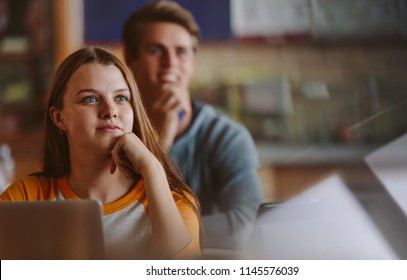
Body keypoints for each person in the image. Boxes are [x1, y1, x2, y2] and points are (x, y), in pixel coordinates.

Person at [0, 47, 201, 260]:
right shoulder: (24, 199)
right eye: (90, 99)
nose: (110, 110)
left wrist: (153, 169)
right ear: (59, 118)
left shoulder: (176, 204)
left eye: (121, 98)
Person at [122, 0, 264, 251]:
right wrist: (162, 140)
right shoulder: (115, 132)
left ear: (193, 62)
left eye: (181, 51)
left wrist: (162, 235)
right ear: (131, 59)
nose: (170, 62)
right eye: (156, 50)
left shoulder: (228, 137)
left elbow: (246, 226)